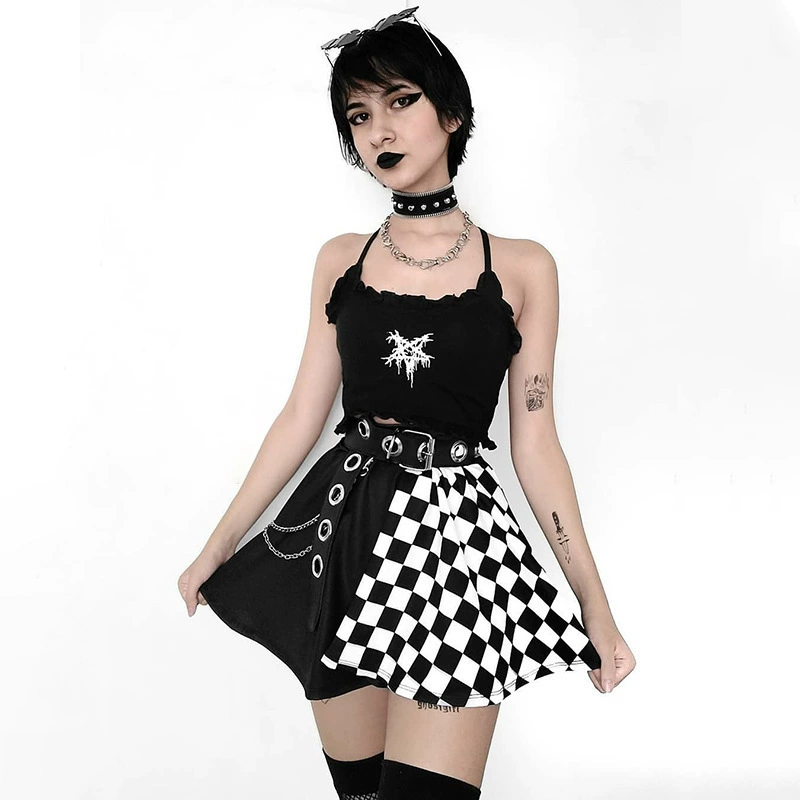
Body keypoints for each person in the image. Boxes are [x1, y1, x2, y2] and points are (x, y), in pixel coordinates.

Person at [178, 7, 636, 798]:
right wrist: (217, 547)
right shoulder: (340, 261)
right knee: (360, 794)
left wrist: (595, 604)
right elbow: (301, 416)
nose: (379, 131)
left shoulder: (524, 268)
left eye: (399, 101)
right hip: (342, 533)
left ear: (451, 113)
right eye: (359, 115)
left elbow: (535, 442)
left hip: (454, 546)